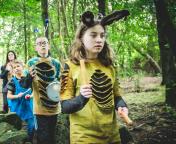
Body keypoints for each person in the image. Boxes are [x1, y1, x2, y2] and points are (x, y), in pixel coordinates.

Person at [60, 10, 130, 144]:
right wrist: (81, 98)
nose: (99, 39)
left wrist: (122, 106)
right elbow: (64, 107)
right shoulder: (69, 67)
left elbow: (116, 96)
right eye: (93, 35)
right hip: (84, 137)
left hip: (112, 136)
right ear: (81, 38)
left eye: (102, 35)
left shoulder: (109, 66)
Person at [23, 37, 61, 144]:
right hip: (39, 107)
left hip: (54, 107)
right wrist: (29, 77)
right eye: (39, 43)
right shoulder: (31, 63)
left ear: (49, 46)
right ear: (36, 48)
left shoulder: (56, 63)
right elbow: (25, 85)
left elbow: (60, 83)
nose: (42, 45)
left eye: (44, 43)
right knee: (43, 137)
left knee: (52, 135)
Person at [7, 60, 34, 142]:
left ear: (23, 67)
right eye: (14, 67)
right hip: (17, 107)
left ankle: (29, 140)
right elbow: (8, 96)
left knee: (32, 125)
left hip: (28, 106)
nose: (16, 69)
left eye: (18, 66)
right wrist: (17, 96)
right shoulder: (12, 81)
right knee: (16, 127)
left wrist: (31, 96)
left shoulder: (28, 79)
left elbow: (34, 91)